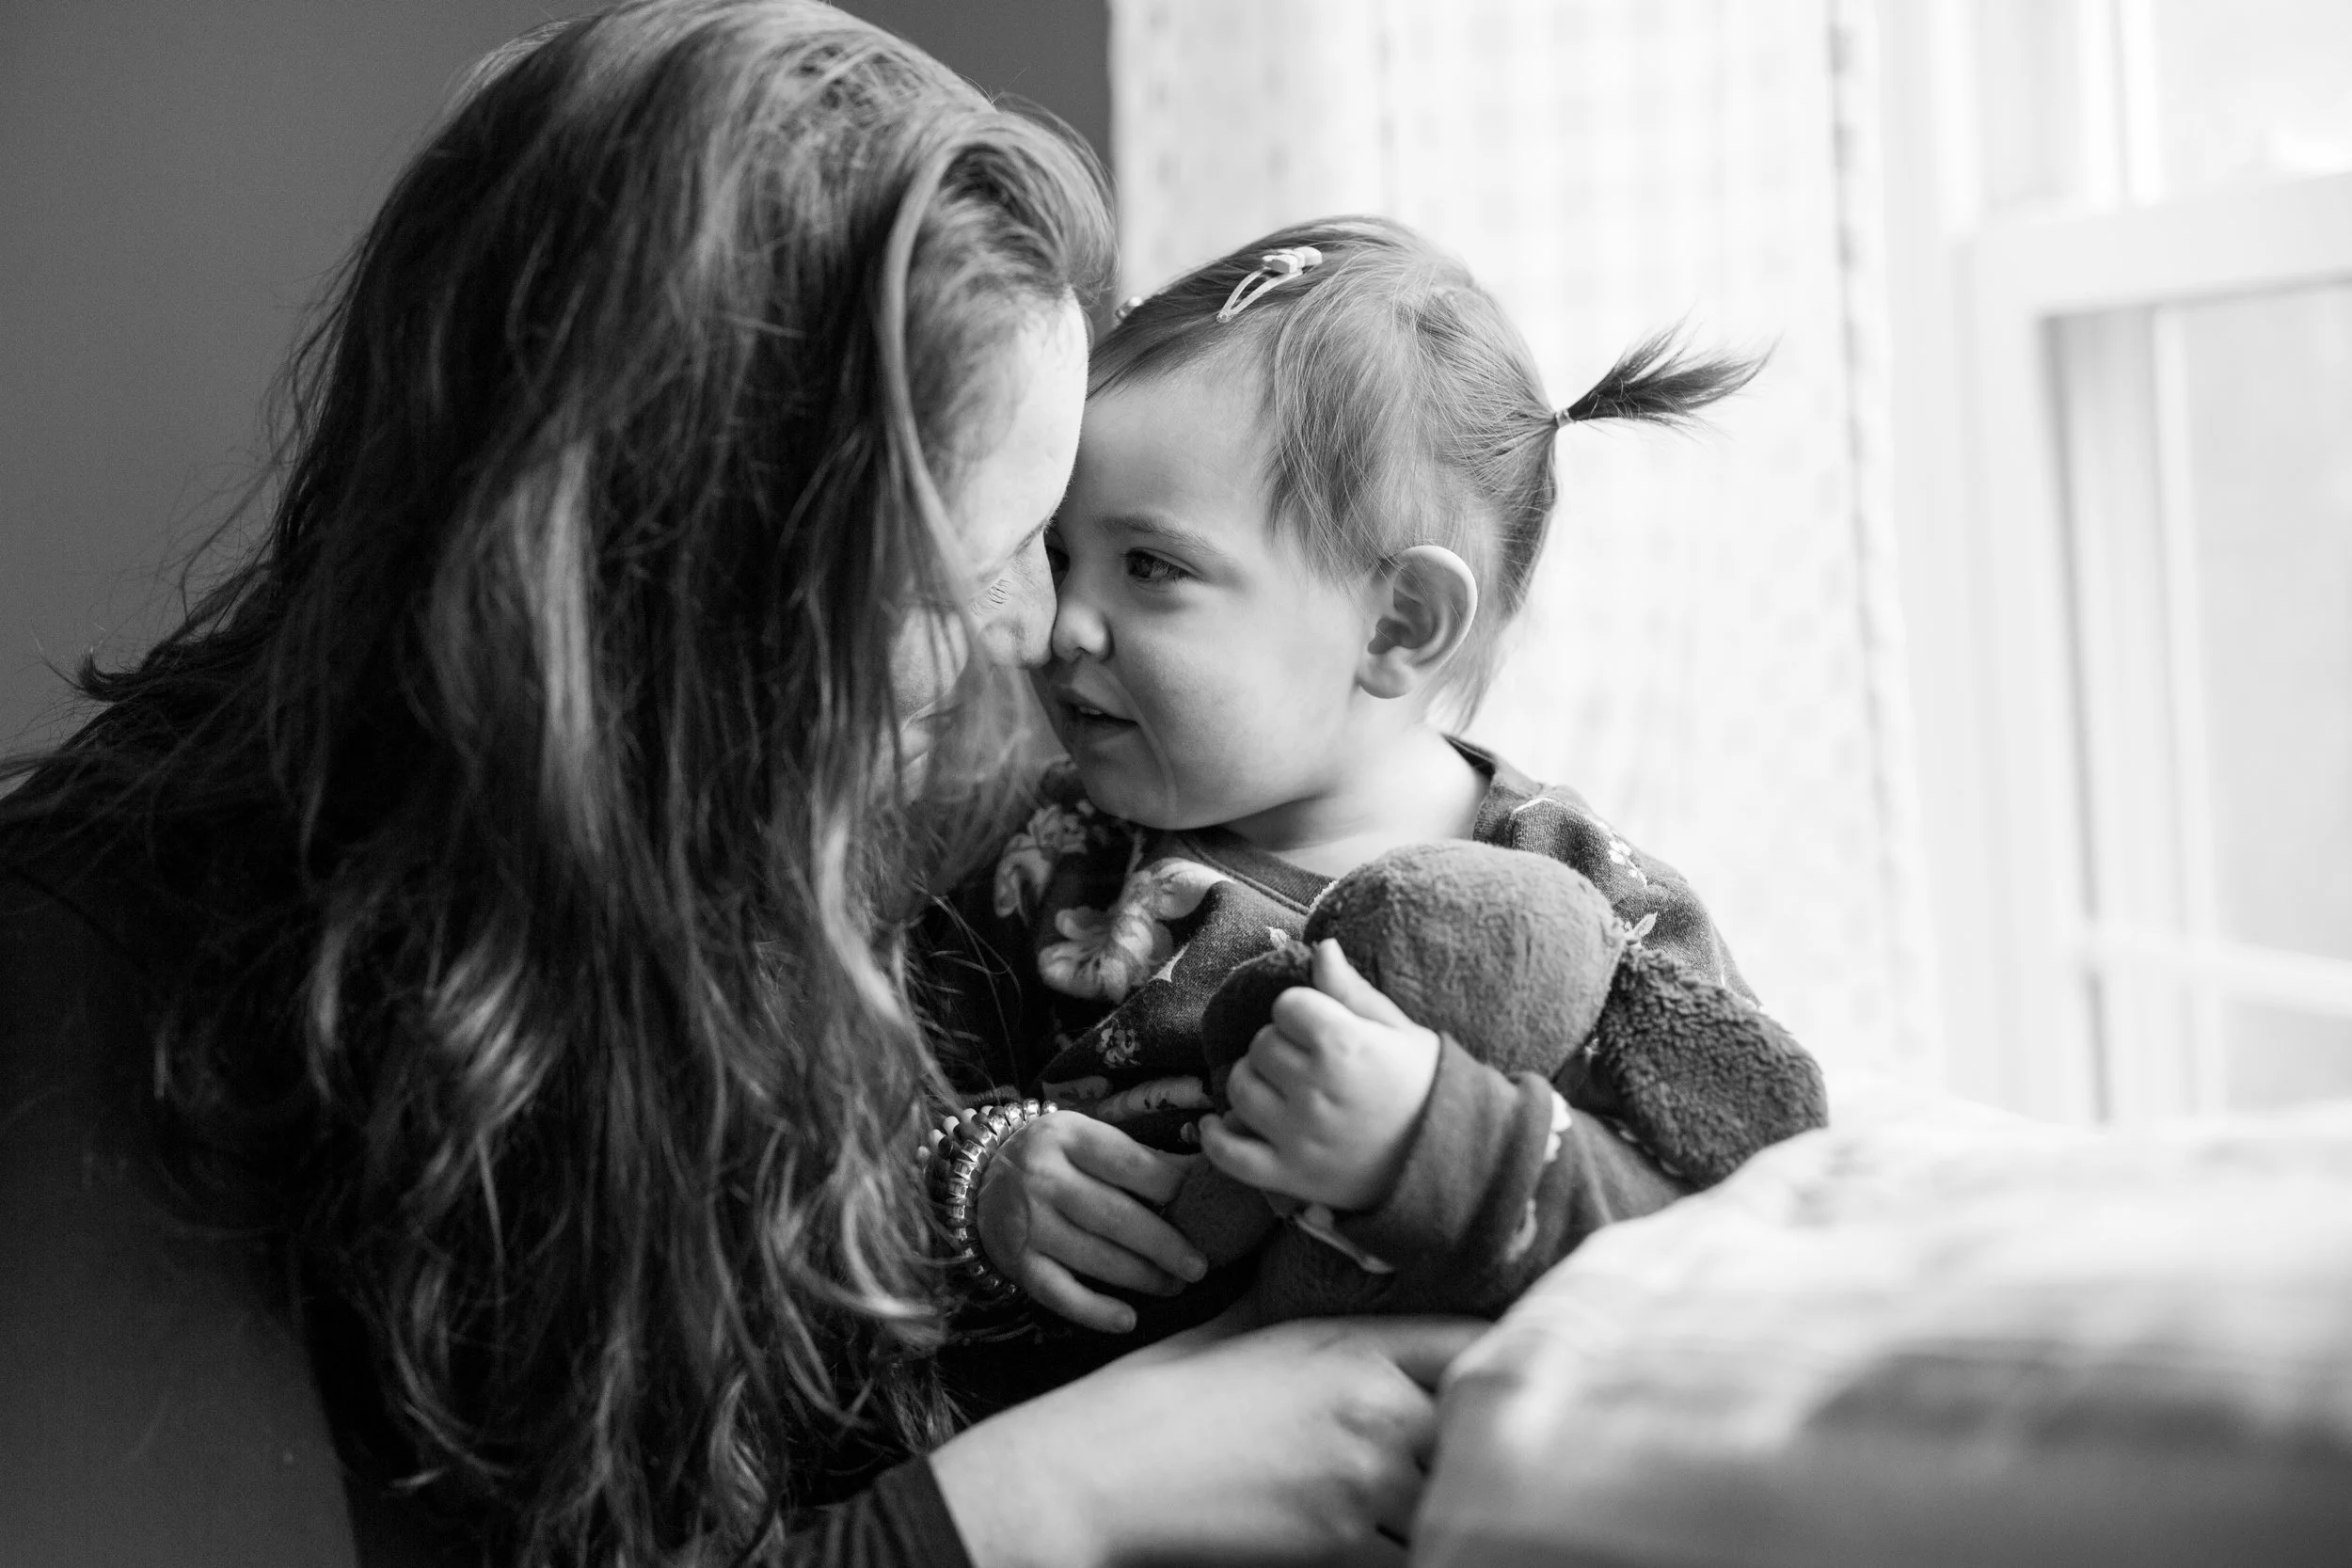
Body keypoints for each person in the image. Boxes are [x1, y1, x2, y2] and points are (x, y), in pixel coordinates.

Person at [0, 9, 1478, 1567]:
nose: (1036, 642)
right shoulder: (88, 1011)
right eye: (960, 577)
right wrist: (1065, 1492)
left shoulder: (755, 873)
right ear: (678, 575)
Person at [929, 218, 1811, 1345]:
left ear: (1398, 623)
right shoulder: (1040, 850)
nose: (1062, 624)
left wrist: (1433, 1140)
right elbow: (843, 1126)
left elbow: (1736, 1220)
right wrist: (984, 1172)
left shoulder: (1589, 901)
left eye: (1150, 567)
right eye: (1059, 554)